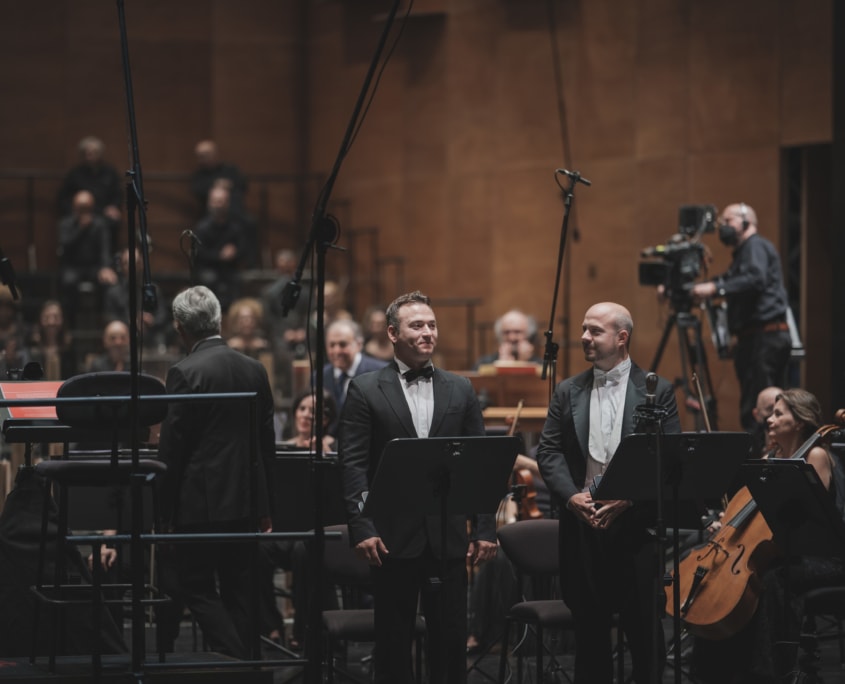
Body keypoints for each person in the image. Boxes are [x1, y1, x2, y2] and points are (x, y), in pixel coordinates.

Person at [338, 290, 498, 683]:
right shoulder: (364, 389)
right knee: (393, 642)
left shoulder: (460, 388)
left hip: (446, 533)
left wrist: (484, 527)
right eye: (417, 326)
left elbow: (480, 465)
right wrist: (362, 526)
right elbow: (353, 465)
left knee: (450, 639)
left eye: (432, 325)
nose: (428, 333)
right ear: (393, 333)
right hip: (391, 535)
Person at [536, 301, 681, 684]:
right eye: (584, 329)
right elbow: (548, 451)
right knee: (590, 636)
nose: (584, 337)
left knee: (645, 636)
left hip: (635, 528)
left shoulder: (657, 390)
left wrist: (629, 499)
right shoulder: (568, 391)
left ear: (621, 337)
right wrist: (571, 497)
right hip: (583, 527)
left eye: (594, 331)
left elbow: (668, 459)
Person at [692, 388, 845, 683]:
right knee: (727, 583)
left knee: (768, 580)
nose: (770, 420)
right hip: (786, 552)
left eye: (779, 414)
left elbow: (806, 519)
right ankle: (719, 670)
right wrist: (730, 523)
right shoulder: (774, 455)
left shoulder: (815, 455)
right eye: (771, 413)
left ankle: (766, 670)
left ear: (799, 421)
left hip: (823, 556)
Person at [156, 285, 274, 659]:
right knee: (241, 589)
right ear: (219, 320)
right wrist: (266, 504)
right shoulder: (254, 370)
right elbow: (265, 444)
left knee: (197, 588)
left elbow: (172, 451)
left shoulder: (183, 373)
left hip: (199, 504)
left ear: (180, 328)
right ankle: (250, 666)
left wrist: (163, 512)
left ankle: (237, 661)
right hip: (246, 499)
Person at [691, 203, 791, 432]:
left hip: (765, 338)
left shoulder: (755, 246)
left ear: (746, 221)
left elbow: (754, 279)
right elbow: (733, 279)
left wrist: (713, 289)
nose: (723, 227)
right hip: (758, 338)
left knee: (762, 407)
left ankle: (765, 461)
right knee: (755, 405)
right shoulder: (745, 253)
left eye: (728, 221)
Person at [57, 189, 118, 328]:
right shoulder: (66, 224)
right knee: (67, 282)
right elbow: (65, 247)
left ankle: (104, 323)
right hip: (73, 266)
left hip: (94, 267)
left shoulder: (100, 224)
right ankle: (69, 323)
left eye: (87, 208)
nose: (84, 211)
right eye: (81, 208)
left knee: (108, 283)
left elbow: (105, 249)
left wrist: (105, 267)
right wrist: (81, 228)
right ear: (74, 207)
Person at [56, 136, 123, 252]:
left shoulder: (110, 173)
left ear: (100, 153)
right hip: (79, 215)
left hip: (102, 214)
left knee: (111, 222)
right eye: (87, 153)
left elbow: (118, 194)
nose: (90, 155)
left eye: (94, 152)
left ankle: (107, 263)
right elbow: (63, 199)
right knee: (70, 225)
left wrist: (114, 206)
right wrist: (76, 213)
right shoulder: (75, 174)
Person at [193, 185, 247, 310]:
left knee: (237, 281)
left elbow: (244, 250)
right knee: (209, 280)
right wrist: (219, 256)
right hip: (208, 269)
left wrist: (235, 252)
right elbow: (199, 254)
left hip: (230, 269)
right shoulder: (202, 227)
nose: (218, 205)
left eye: (221, 201)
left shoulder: (236, 227)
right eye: (215, 201)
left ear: (227, 203)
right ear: (209, 203)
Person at [322, 318, 388, 419]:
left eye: (342, 344)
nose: (337, 351)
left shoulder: (381, 372)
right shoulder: (320, 376)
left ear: (359, 344)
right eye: (332, 345)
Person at [474, 309, 542, 368]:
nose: (511, 338)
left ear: (528, 334)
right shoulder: (483, 364)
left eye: (517, 332)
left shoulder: (541, 365)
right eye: (506, 332)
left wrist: (523, 363)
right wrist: (501, 366)